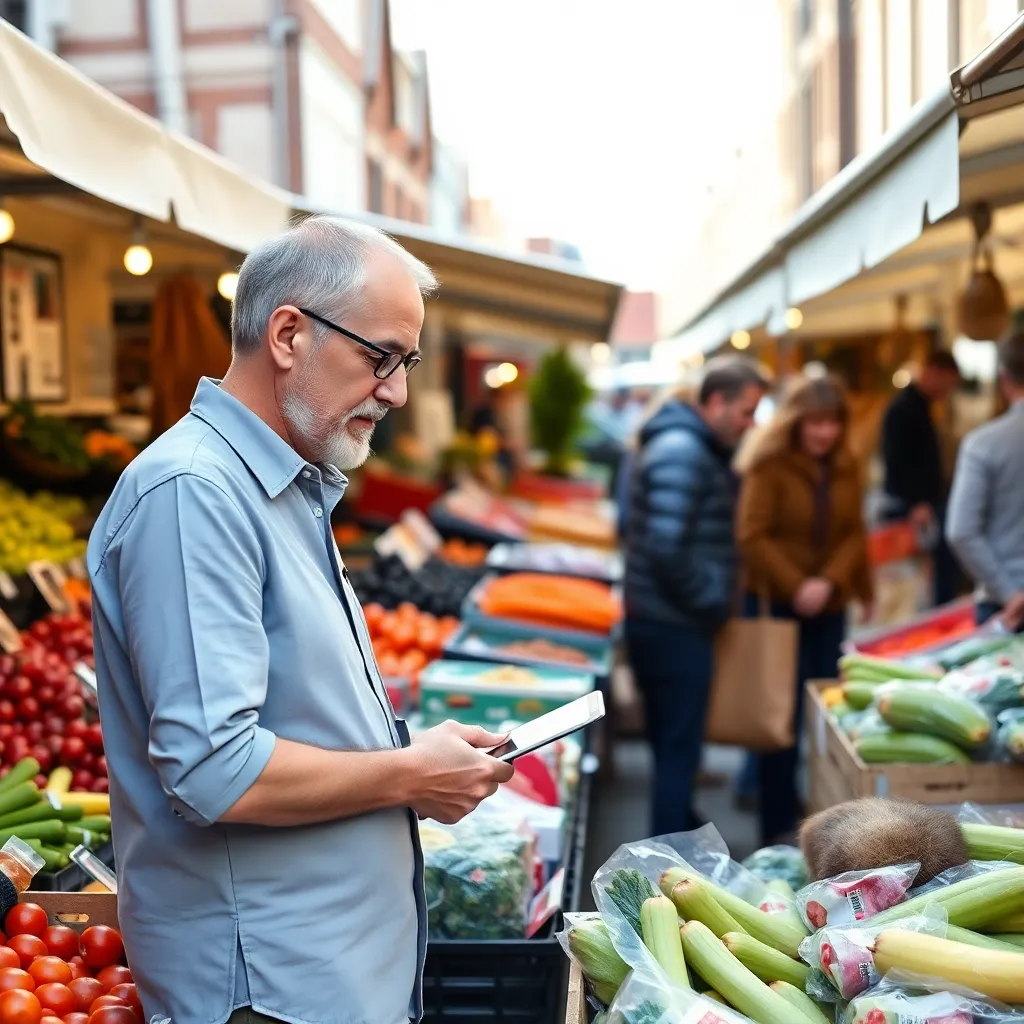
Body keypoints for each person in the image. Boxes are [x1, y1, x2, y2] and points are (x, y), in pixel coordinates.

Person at [86, 216, 514, 1024]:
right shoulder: (193, 494)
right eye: (381, 358)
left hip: (322, 972)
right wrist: (408, 773)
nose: (397, 391)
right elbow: (215, 767)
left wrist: (414, 756)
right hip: (273, 987)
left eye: (408, 362)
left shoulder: (281, 481)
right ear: (288, 334)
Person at [623, 356, 768, 836]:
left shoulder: (686, 446)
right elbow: (666, 548)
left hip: (667, 619)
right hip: (673, 625)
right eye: (745, 412)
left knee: (674, 748)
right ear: (715, 401)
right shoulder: (683, 450)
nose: (750, 425)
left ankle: (678, 840)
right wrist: (710, 598)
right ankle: (667, 864)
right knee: (677, 752)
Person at [737, 373, 872, 845]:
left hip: (828, 606)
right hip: (778, 605)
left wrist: (831, 581)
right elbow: (751, 534)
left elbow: (855, 531)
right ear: (796, 422)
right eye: (815, 422)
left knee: (825, 717)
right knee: (780, 719)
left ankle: (823, 821)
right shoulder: (769, 463)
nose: (825, 433)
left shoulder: (848, 464)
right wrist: (797, 585)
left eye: (833, 422)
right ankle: (774, 826)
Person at [946, 331, 1024, 631]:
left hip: (1003, 604)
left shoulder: (982, 444)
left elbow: (961, 531)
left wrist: (1008, 591)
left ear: (1004, 379)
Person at [879, 349, 962, 606]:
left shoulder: (923, 407)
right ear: (934, 372)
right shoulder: (903, 409)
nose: (947, 391)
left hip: (926, 504)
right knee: (917, 582)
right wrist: (916, 502)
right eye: (948, 383)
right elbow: (896, 462)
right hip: (915, 508)